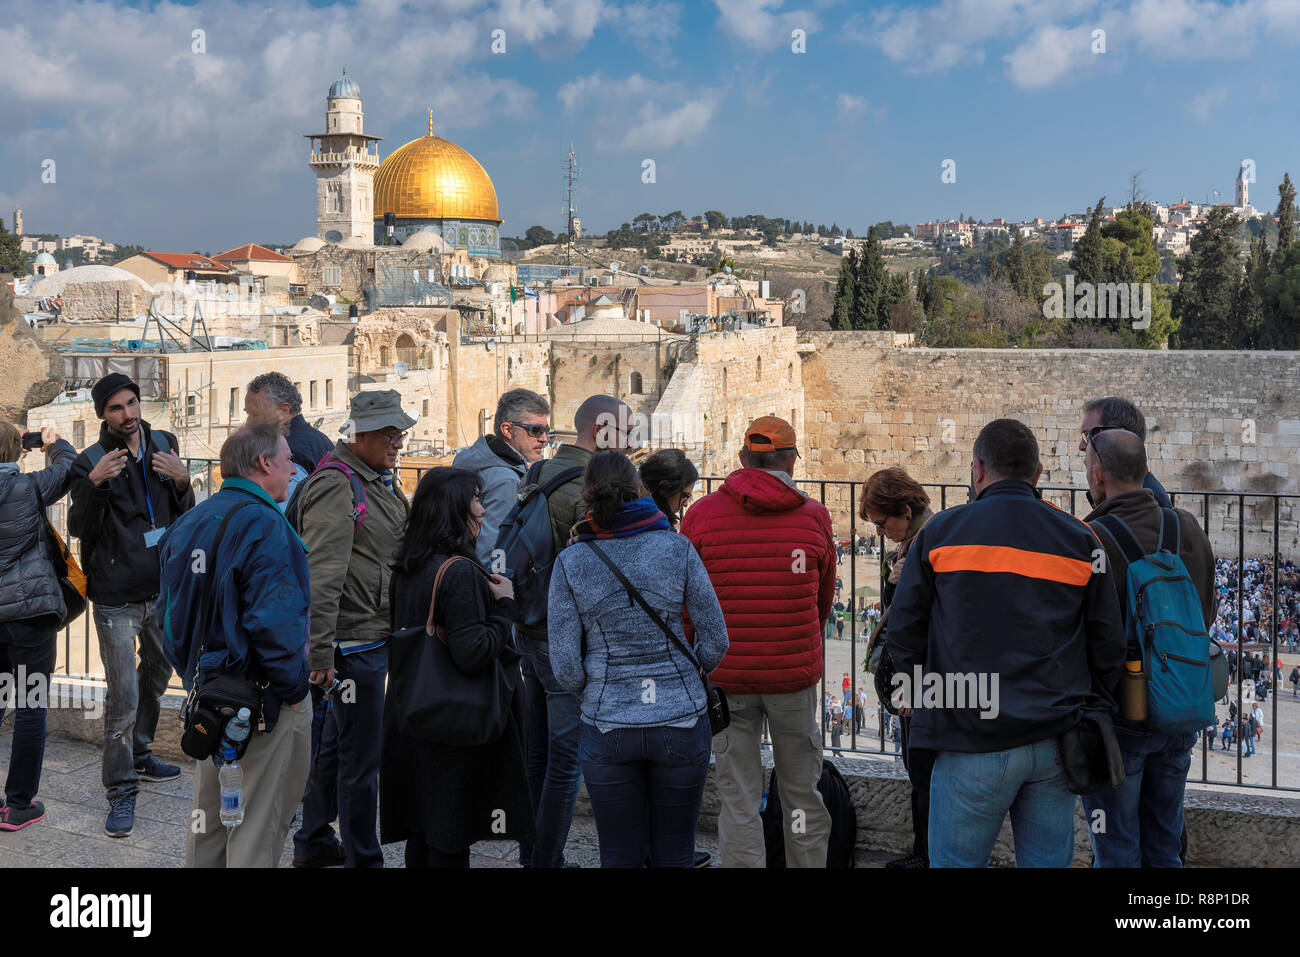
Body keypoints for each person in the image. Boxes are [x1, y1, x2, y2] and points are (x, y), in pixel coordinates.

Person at [887, 418, 1125, 868]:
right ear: (1036, 475)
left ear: (977, 471)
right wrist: (1084, 703)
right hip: (1055, 738)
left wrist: (926, 696)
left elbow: (903, 631)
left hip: (968, 736)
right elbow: (1108, 645)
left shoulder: (939, 535)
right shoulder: (1080, 539)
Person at [547, 451, 727, 867]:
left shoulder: (571, 561)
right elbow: (716, 638)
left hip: (607, 721)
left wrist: (593, 691)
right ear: (639, 491)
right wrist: (689, 674)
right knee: (676, 852)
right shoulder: (676, 548)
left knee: (618, 853)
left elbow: (565, 666)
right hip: (680, 717)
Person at [681, 415, 835, 867]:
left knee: (739, 798)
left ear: (744, 458)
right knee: (802, 795)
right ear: (789, 460)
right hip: (791, 675)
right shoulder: (813, 515)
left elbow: (687, 600)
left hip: (726, 676)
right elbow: (822, 600)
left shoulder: (703, 514)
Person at [158, 425, 313, 867]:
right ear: (263, 464)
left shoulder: (190, 521)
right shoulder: (267, 526)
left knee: (208, 822)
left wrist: (197, 677)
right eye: (287, 461)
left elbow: (165, 616)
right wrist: (295, 691)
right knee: (257, 827)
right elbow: (276, 624)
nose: (293, 470)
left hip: (211, 699)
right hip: (262, 703)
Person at [381, 467, 534, 867]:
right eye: (477, 500)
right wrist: (505, 607)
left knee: (425, 831)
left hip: (415, 713)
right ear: (454, 510)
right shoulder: (460, 571)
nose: (483, 511)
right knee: (449, 838)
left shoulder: (408, 566)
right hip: (454, 724)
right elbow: (473, 652)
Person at [1078, 430, 1215, 869]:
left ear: (1098, 475)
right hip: (1181, 707)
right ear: (1146, 471)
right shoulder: (1187, 527)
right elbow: (1205, 613)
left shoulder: (1089, 539)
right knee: (1164, 842)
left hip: (1121, 715)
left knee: (1116, 846)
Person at [68, 373, 194, 838]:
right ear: (103, 414)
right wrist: (93, 487)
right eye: (116, 408)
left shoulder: (165, 441)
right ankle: (121, 793)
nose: (128, 414)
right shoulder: (91, 462)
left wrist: (182, 481)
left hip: (163, 588)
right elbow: (82, 528)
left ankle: (140, 754)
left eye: (132, 403)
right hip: (116, 597)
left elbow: (183, 513)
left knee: (158, 675)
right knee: (121, 699)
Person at [293, 391, 413, 868]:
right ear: (359, 435)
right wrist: (319, 655)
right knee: (360, 764)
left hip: (363, 637)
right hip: (352, 645)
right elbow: (322, 575)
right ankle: (364, 858)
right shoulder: (337, 486)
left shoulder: (374, 480)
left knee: (335, 753)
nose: (399, 441)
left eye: (400, 433)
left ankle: (313, 842)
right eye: (389, 433)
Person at [516, 394, 635, 868]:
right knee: (567, 761)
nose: (631, 445)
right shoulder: (594, 485)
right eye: (626, 434)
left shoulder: (537, 472)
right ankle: (545, 860)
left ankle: (533, 852)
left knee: (538, 754)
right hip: (566, 638)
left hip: (527, 622)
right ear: (602, 432)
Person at [0, 423, 77, 831]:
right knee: (31, 708)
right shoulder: (26, 488)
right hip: (28, 616)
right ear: (16, 450)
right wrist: (51, 443)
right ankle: (18, 805)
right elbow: (71, 466)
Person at [859, 465, 936, 869]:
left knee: (924, 771)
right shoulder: (911, 544)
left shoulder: (928, 544)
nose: (879, 531)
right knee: (916, 767)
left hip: (921, 682)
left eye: (880, 521)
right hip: (916, 682)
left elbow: (924, 621)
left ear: (905, 509)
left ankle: (927, 857)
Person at [452, 388, 551, 567]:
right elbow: (494, 548)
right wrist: (499, 586)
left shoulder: (476, 459)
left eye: (546, 430)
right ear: (507, 429)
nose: (544, 438)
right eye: (535, 430)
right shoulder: (506, 480)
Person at [244, 371, 332, 505]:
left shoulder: (288, 453)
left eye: (255, 414)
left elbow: (283, 511)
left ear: (284, 411)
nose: (249, 422)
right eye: (248, 413)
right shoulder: (317, 438)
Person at [1078, 396, 1171, 508]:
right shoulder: (1136, 496)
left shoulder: (1143, 506)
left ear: (1119, 436)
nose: (1081, 446)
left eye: (1089, 435)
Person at [638, 448, 698, 528]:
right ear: (665, 488)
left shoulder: (632, 515)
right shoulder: (659, 529)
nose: (686, 504)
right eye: (685, 496)